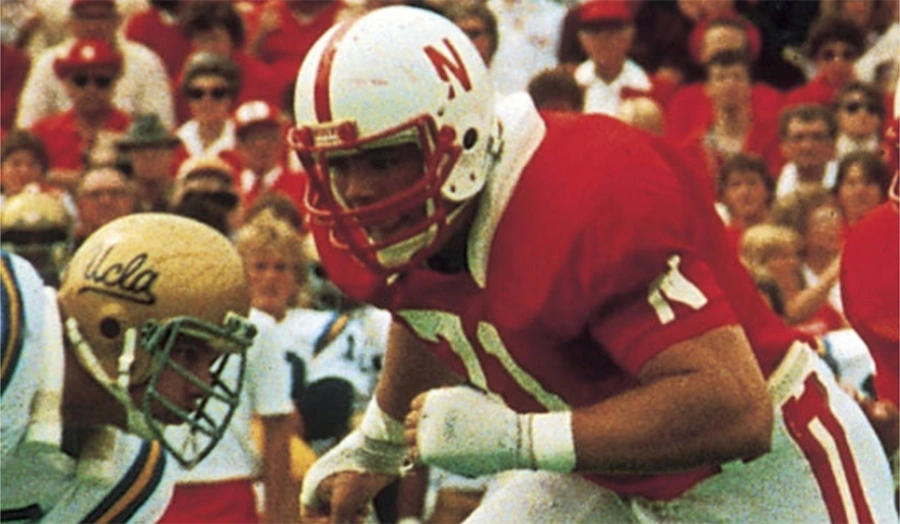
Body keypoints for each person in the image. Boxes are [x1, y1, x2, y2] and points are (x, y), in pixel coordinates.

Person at [289, 7, 895, 523]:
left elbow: (735, 408)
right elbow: (426, 301)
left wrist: (517, 439)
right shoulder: (398, 220)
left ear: (463, 140)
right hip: (596, 469)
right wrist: (379, 439)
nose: (356, 192)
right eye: (337, 165)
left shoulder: (578, 197)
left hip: (758, 471)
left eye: (381, 160)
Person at [0, 212, 257, 521]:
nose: (202, 385)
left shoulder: (132, 471)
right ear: (113, 329)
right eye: (188, 354)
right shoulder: (9, 332)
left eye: (212, 362)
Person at [15, 0, 174, 130]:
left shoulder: (145, 61)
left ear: (117, 21)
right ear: (70, 22)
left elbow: (161, 127)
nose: (94, 26)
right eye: (86, 18)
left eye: (102, 17)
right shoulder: (47, 62)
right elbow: (27, 127)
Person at [29, 38, 131, 193]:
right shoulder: (41, 132)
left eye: (102, 81)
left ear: (115, 84)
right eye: (81, 81)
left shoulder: (131, 130)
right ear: (66, 85)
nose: (91, 89)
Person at [573, 0, 652, 118]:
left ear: (631, 34)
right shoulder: (570, 87)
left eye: (613, 30)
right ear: (581, 37)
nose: (603, 39)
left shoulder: (651, 89)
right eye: (594, 31)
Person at [114, 113, 182, 212]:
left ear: (171, 155)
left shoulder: (182, 198)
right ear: (129, 156)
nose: (149, 157)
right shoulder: (119, 199)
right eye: (140, 150)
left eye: (157, 149)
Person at [775, 104, 840, 199]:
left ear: (832, 144)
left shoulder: (850, 185)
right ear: (784, 146)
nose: (807, 146)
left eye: (817, 138)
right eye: (798, 138)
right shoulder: (770, 191)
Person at [72, 164, 137, 249]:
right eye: (95, 195)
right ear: (79, 204)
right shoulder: (62, 253)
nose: (106, 202)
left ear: (130, 201)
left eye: (115, 193)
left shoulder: (147, 243)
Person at [833, 149, 892, 227]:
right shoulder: (829, 232)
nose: (860, 191)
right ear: (838, 191)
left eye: (868, 182)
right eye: (851, 183)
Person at [833, 80, 887, 159]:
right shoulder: (826, 153)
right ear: (837, 114)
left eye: (871, 108)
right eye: (853, 107)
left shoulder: (891, 154)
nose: (863, 114)